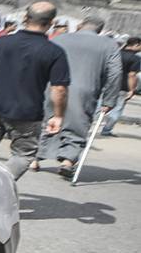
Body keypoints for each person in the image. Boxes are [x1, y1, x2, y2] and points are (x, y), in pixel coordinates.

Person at [0, 2, 69, 180]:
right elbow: (59, 88)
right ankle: (0, 185)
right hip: (27, 113)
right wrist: (58, 116)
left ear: (25, 18)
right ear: (51, 23)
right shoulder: (54, 52)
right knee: (24, 154)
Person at [35, 17, 122, 176]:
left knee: (46, 119)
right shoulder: (109, 45)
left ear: (80, 25)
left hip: (52, 86)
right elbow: (115, 73)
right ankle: (68, 161)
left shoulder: (60, 38)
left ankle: (35, 158)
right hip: (85, 90)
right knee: (78, 124)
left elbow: (41, 61)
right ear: (100, 30)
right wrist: (110, 99)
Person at [101, 36, 140, 136]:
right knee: (117, 109)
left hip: (107, 83)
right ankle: (106, 130)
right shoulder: (135, 58)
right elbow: (131, 75)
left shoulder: (115, 53)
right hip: (122, 87)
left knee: (99, 106)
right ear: (136, 45)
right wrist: (131, 90)